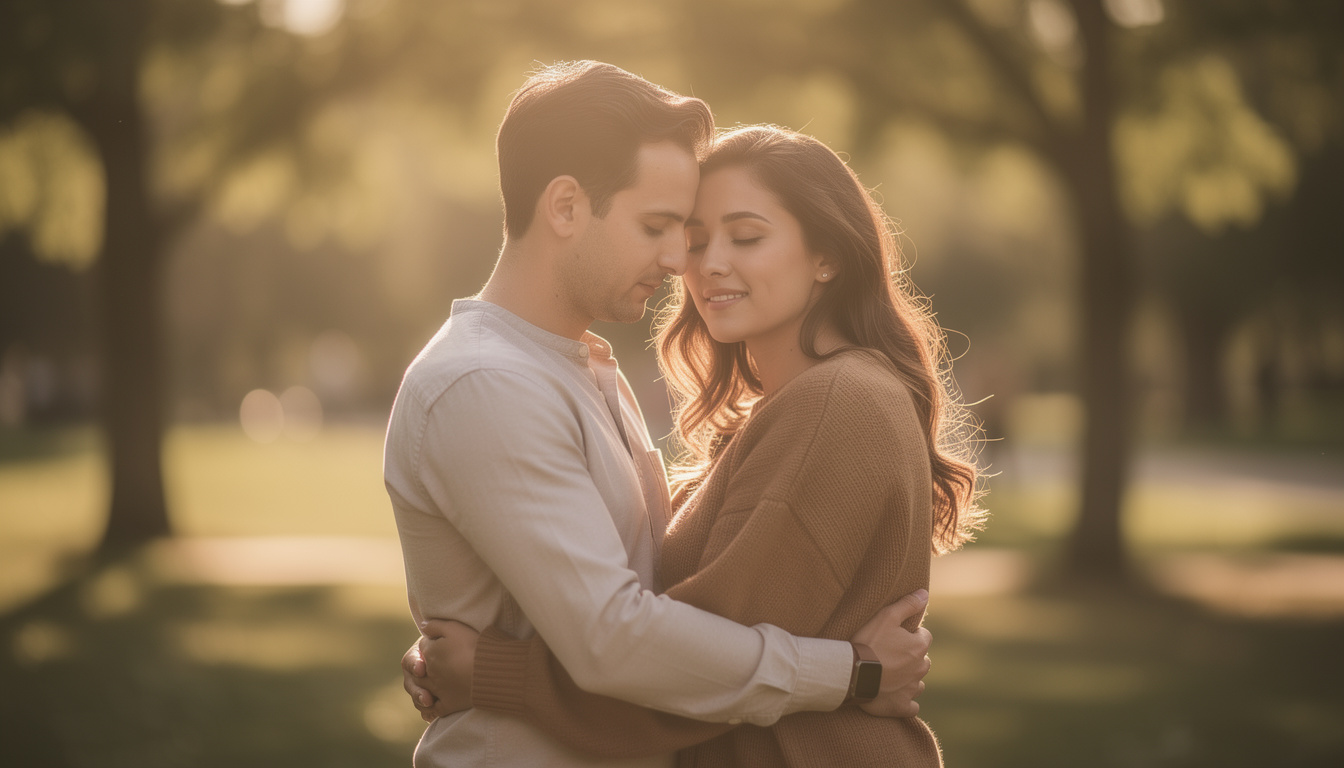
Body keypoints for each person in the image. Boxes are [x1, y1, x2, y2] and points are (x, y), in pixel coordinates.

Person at [384, 61, 936, 768]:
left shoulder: (587, 372)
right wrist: (852, 672)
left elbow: (637, 635)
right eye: (664, 227)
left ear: (826, 254)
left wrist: (495, 671)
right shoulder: (489, 382)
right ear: (565, 207)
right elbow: (624, 641)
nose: (685, 262)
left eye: (737, 235)